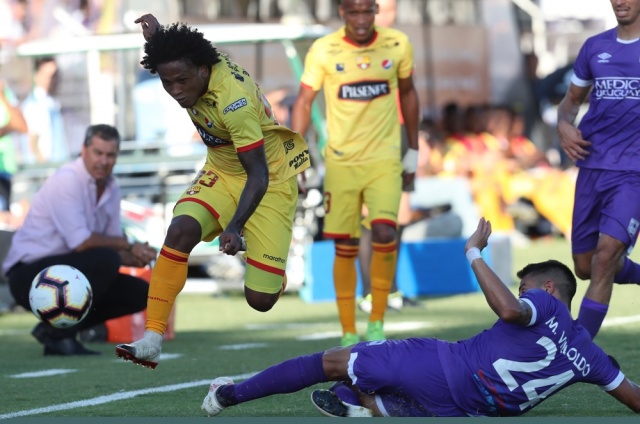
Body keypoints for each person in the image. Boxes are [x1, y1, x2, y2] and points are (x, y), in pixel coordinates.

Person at [198, 217, 640, 417]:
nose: (520, 293)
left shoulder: (545, 304)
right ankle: (362, 403)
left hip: (445, 368)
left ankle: (229, 396)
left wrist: (473, 252)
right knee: (367, 375)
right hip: (468, 410)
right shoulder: (592, 356)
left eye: (525, 287)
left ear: (548, 290)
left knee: (331, 360)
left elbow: (508, 308)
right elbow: (634, 400)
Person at [115, 14, 310, 369]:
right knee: (180, 231)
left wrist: (235, 225)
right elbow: (177, 55)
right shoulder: (192, 61)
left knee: (260, 300)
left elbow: (258, 175)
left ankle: (268, 261)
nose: (176, 90)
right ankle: (152, 338)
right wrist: (156, 39)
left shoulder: (234, 102)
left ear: (204, 71)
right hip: (221, 171)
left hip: (268, 179)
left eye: (182, 80)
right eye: (167, 81)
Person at [291, 0, 420, 346]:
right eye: (353, 12)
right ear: (342, 13)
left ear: (376, 10)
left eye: (366, 11)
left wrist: (413, 150)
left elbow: (409, 94)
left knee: (384, 230)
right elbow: (303, 101)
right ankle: (348, 330)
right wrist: (296, 154)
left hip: (385, 161)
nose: (361, 19)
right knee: (345, 244)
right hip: (341, 164)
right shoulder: (323, 49)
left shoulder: (397, 44)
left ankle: (377, 321)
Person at [2, 124, 157, 356]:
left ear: (117, 156)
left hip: (64, 270)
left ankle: (54, 332)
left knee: (140, 292)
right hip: (27, 275)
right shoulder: (67, 179)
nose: (104, 161)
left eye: (110, 155)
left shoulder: (112, 188)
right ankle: (59, 336)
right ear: (84, 150)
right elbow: (82, 243)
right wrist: (129, 246)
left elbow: (110, 245)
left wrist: (136, 257)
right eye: (98, 153)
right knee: (106, 259)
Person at [556, 0, 640, 340]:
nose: (619, 1)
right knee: (585, 265)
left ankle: (577, 350)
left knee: (605, 258)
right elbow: (571, 102)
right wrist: (563, 125)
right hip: (592, 165)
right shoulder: (594, 47)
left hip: (633, 173)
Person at [357, 0, 415, 314]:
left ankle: (391, 290)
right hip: (371, 135)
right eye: (381, 7)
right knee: (372, 215)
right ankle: (369, 294)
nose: (387, 14)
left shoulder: (399, 44)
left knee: (401, 214)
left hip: (401, 133)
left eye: (392, 7)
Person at [20, 56, 69, 164]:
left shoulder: (50, 102)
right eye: (48, 75)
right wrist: (45, 168)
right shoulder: (34, 106)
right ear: (36, 76)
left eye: (55, 75)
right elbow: (33, 144)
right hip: (46, 170)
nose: (53, 80)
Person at [0, 77, 28, 213]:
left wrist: (2, 95)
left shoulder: (5, 92)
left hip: (5, 172)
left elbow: (21, 126)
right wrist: (9, 127)